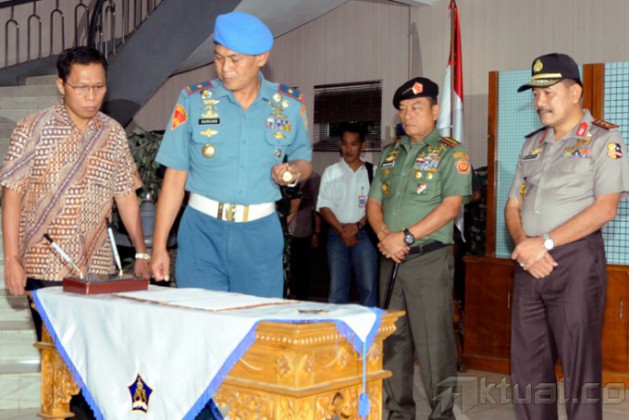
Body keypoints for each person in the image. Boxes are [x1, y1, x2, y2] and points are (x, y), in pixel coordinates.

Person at [0, 46, 150, 419]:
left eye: (99, 87)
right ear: (61, 85)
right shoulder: (32, 128)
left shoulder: (112, 133)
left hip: (97, 266)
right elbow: (11, 194)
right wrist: (12, 258)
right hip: (43, 262)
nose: (91, 96)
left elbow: (125, 195)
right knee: (58, 357)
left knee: (95, 357)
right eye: (81, 87)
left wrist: (141, 251)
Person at [151, 11, 312, 298]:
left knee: (257, 319)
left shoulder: (289, 105)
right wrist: (159, 246)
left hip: (259, 234)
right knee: (200, 316)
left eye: (235, 60)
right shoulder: (193, 100)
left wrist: (294, 171)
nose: (225, 68)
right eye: (219, 58)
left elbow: (303, 159)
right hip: (201, 232)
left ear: (261, 57)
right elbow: (174, 178)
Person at [506, 53, 629, 420]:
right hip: (529, 262)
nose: (540, 102)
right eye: (536, 94)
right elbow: (513, 205)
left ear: (575, 92)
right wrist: (525, 246)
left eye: (548, 92)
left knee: (579, 366)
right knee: (527, 366)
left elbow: (606, 207)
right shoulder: (532, 144)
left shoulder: (603, 138)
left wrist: (543, 243)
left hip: (575, 262)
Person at [367, 77, 471, 419]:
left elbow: (450, 207)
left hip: (427, 259)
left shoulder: (451, 152)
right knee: (392, 341)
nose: (408, 115)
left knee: (433, 344)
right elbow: (374, 203)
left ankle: (442, 413)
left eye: (416, 107)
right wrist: (385, 236)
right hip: (390, 259)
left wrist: (406, 237)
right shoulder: (390, 154)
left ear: (435, 110)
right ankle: (398, 412)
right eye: (402, 109)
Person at [317, 123, 379, 307]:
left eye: (353, 144)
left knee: (369, 288)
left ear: (363, 146)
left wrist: (357, 227)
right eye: (344, 144)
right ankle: (337, 325)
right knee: (337, 290)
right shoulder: (331, 172)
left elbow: (377, 205)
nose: (348, 149)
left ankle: (369, 324)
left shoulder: (373, 172)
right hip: (337, 235)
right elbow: (324, 206)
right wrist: (343, 230)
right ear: (340, 145)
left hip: (365, 235)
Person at [288, 171, 321, 300]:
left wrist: (316, 231)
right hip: (282, 230)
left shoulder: (313, 178)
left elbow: (317, 205)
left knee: (302, 269)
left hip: (302, 230)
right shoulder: (280, 173)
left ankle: (302, 301)